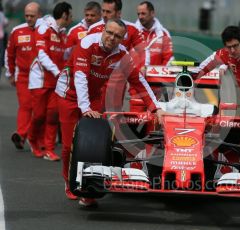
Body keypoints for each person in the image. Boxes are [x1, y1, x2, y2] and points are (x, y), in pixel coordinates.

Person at [55, 19, 164, 204]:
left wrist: (156, 108)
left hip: (93, 97)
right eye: (109, 33)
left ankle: (89, 190)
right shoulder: (87, 43)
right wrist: (86, 108)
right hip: (69, 95)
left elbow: (138, 80)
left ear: (122, 40)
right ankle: (70, 181)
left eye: (117, 36)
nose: (111, 38)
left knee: (97, 143)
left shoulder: (122, 54)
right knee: (68, 146)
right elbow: (80, 77)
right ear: (103, 30)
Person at [28, 2, 72, 160]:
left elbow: (64, 55)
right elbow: (42, 55)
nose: (71, 18)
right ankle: (32, 139)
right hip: (40, 80)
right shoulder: (43, 28)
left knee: (53, 116)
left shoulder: (63, 34)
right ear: (65, 15)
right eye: (70, 15)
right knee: (39, 115)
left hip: (56, 81)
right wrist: (57, 71)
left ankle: (49, 149)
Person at [5, 2, 41, 151]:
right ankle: (21, 134)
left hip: (41, 77)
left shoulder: (45, 30)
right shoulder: (17, 31)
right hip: (23, 76)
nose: (29, 18)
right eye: (26, 15)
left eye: (32, 16)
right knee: (26, 106)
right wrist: (10, 73)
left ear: (39, 15)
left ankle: (34, 137)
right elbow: (9, 54)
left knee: (39, 109)